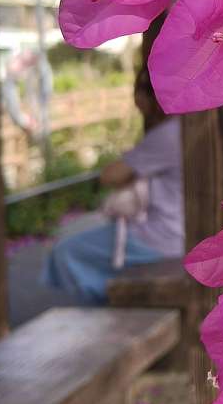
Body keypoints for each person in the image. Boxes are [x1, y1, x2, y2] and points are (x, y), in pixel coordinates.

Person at [42, 65, 183, 304]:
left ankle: (110, 307)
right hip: (180, 233)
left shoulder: (168, 134)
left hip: (163, 237)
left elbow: (110, 175)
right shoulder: (186, 128)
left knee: (66, 252)